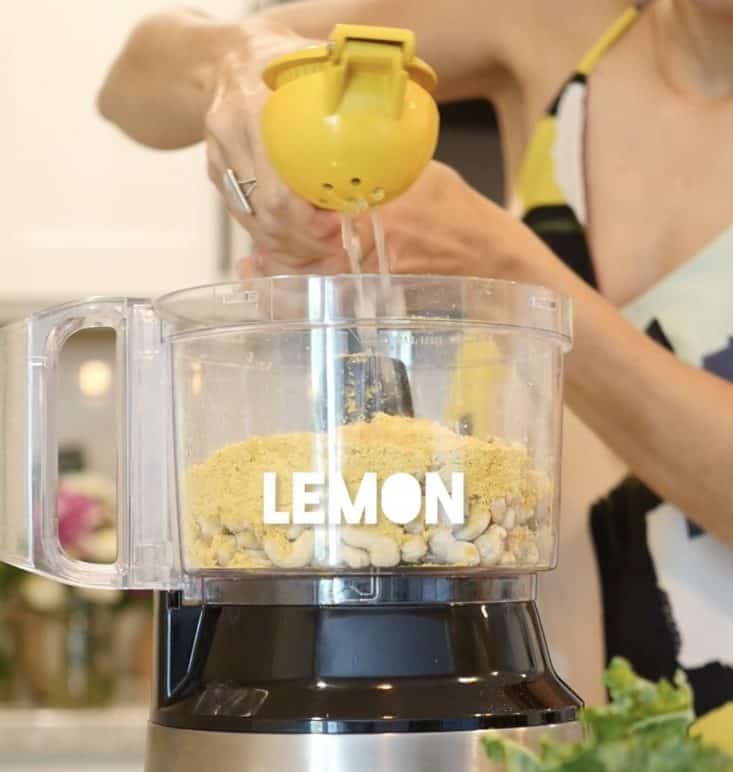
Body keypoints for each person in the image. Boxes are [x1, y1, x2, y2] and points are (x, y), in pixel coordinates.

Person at [98, 0, 733, 711]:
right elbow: (132, 85)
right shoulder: (553, 21)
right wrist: (244, 66)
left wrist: (508, 271)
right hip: (517, 741)